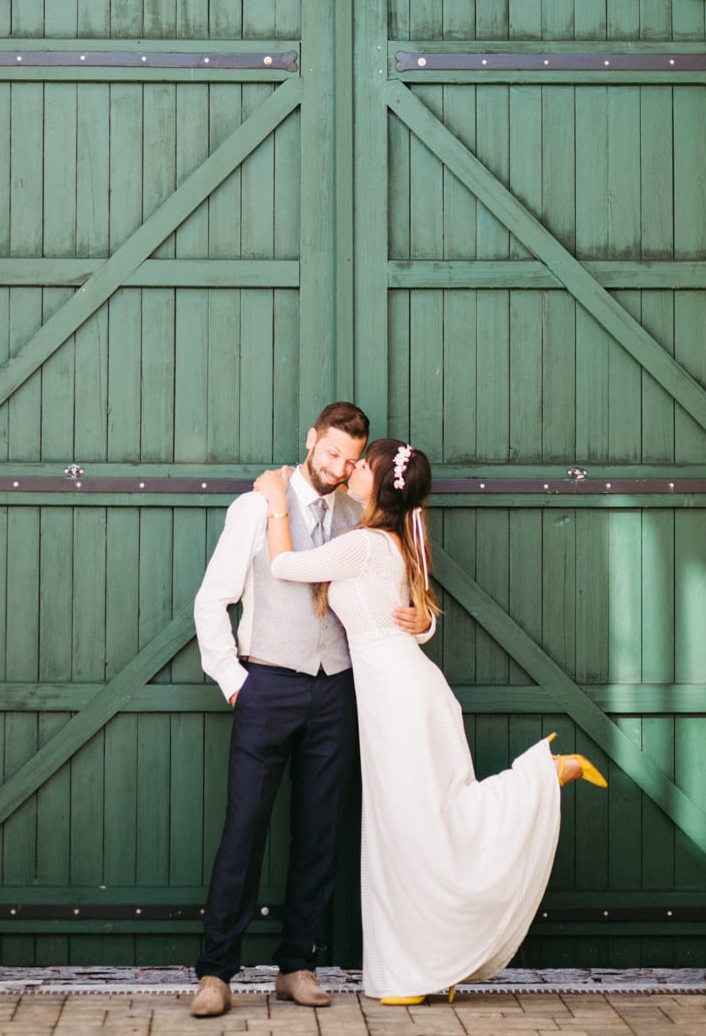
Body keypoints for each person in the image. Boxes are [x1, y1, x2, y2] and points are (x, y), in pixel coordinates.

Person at [254, 438, 607, 1005]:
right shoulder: (391, 542)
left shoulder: (367, 543)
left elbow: (284, 565)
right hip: (408, 690)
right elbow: (407, 620)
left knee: (414, 828)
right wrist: (421, 624)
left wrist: (274, 502)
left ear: (377, 480)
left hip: (399, 698)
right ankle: (419, 965)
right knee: (423, 825)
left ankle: (541, 777)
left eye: (362, 465)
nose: (353, 469)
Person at [190, 403, 432, 1018]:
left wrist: (423, 623)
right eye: (330, 454)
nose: (338, 467)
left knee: (318, 833)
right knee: (244, 832)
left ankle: (297, 964)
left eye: (352, 460)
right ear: (311, 441)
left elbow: (398, 594)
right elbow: (211, 602)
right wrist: (233, 681)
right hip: (266, 684)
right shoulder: (255, 508)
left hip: (338, 691)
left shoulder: (362, 516)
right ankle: (216, 972)